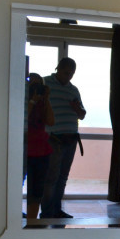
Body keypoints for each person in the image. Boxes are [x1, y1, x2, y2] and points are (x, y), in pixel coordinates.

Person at [41, 57, 86, 219]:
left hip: (71, 139)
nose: (69, 76)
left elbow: (82, 115)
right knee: (51, 178)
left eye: (72, 73)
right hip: (53, 139)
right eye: (66, 73)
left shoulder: (73, 90)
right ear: (58, 69)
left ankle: (56, 210)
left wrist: (76, 108)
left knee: (62, 178)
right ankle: (47, 213)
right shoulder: (45, 84)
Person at [24, 74, 55, 219]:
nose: (35, 89)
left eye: (38, 86)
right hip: (25, 150)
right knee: (16, 185)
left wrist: (46, 99)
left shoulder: (43, 103)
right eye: (32, 86)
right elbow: (22, 118)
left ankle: (32, 222)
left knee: (37, 190)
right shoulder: (21, 101)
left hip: (41, 151)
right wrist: (31, 101)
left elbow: (51, 121)